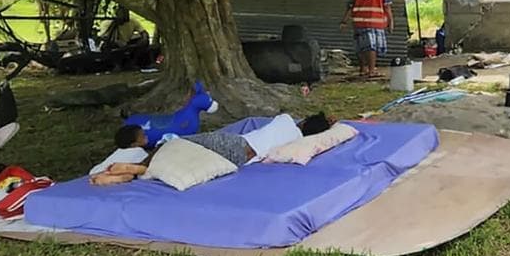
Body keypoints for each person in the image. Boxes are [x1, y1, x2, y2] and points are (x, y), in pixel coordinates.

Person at [91, 114, 331, 186]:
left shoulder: (286, 120)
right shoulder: (296, 144)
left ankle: (139, 167)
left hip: (233, 144)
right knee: (183, 161)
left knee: (171, 144)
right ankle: (131, 174)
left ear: (304, 122)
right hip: (240, 160)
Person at [340, 0, 393, 78]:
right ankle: (371, 71)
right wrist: (390, 22)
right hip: (375, 22)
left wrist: (344, 21)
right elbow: (387, 7)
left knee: (361, 46)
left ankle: (363, 69)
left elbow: (350, 6)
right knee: (371, 47)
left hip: (358, 23)